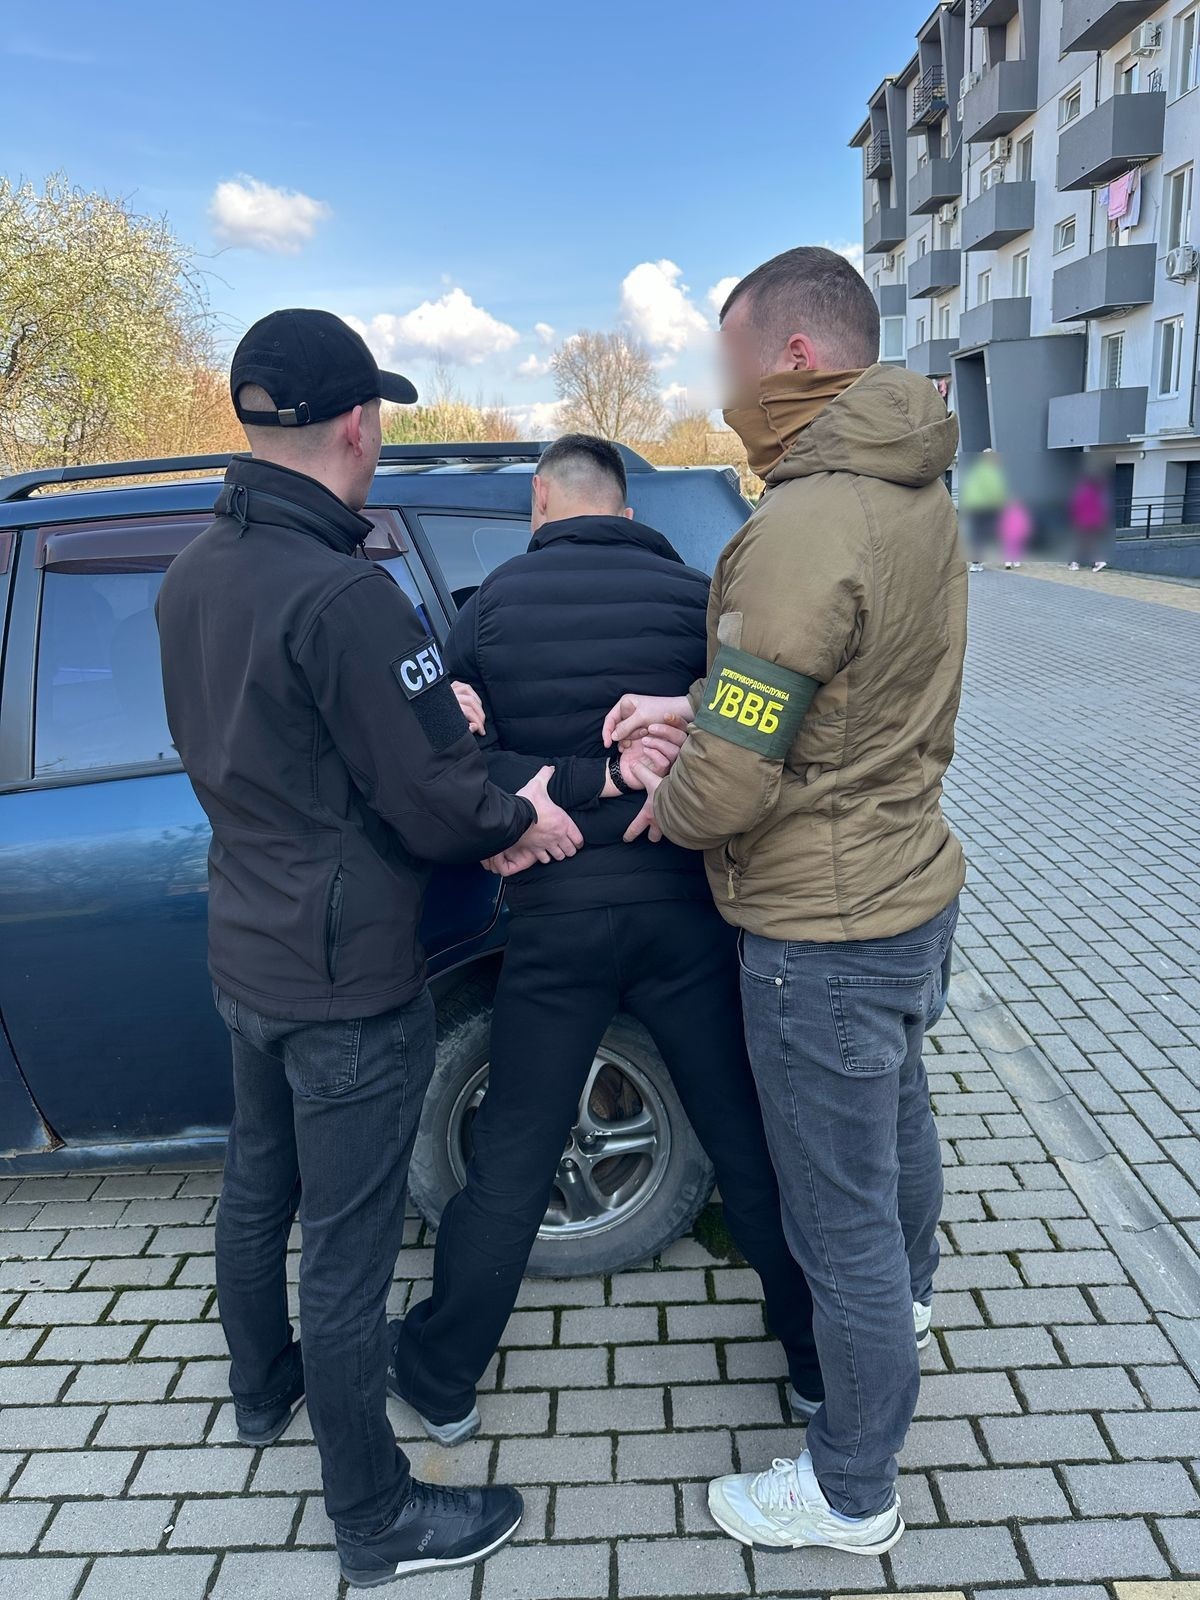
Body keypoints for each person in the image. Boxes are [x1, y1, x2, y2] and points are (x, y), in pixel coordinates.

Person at [156, 309, 583, 1589]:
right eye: (378, 416)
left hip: (248, 948)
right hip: (347, 981)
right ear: (357, 424)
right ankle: (376, 1516)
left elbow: (280, 741)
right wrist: (522, 816)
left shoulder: (193, 571)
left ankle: (261, 1389)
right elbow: (434, 801)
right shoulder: (345, 593)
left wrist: (426, 711)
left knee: (257, 1186)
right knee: (346, 1258)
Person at [605, 247, 965, 1557]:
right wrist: (696, 699)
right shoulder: (913, 487)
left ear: (796, 357)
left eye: (733, 363)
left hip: (821, 929)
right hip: (907, 883)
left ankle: (850, 1487)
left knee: (835, 1220)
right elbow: (828, 684)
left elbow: (738, 775)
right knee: (899, 1128)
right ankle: (903, 1316)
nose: (724, 395)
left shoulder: (806, 522)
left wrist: (665, 788)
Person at [388, 433, 825, 1444]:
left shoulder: (491, 607)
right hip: (685, 914)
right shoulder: (696, 601)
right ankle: (815, 1366)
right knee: (746, 1142)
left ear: (540, 504)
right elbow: (751, 734)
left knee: (513, 1153)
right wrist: (648, 772)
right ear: (629, 513)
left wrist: (554, 786)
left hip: (556, 922)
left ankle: (442, 1377)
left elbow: (455, 758)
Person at [958, 448, 1007, 572]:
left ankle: (976, 563)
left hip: (974, 507)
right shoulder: (991, 471)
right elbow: (994, 489)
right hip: (987, 506)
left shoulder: (975, 470)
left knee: (976, 533)